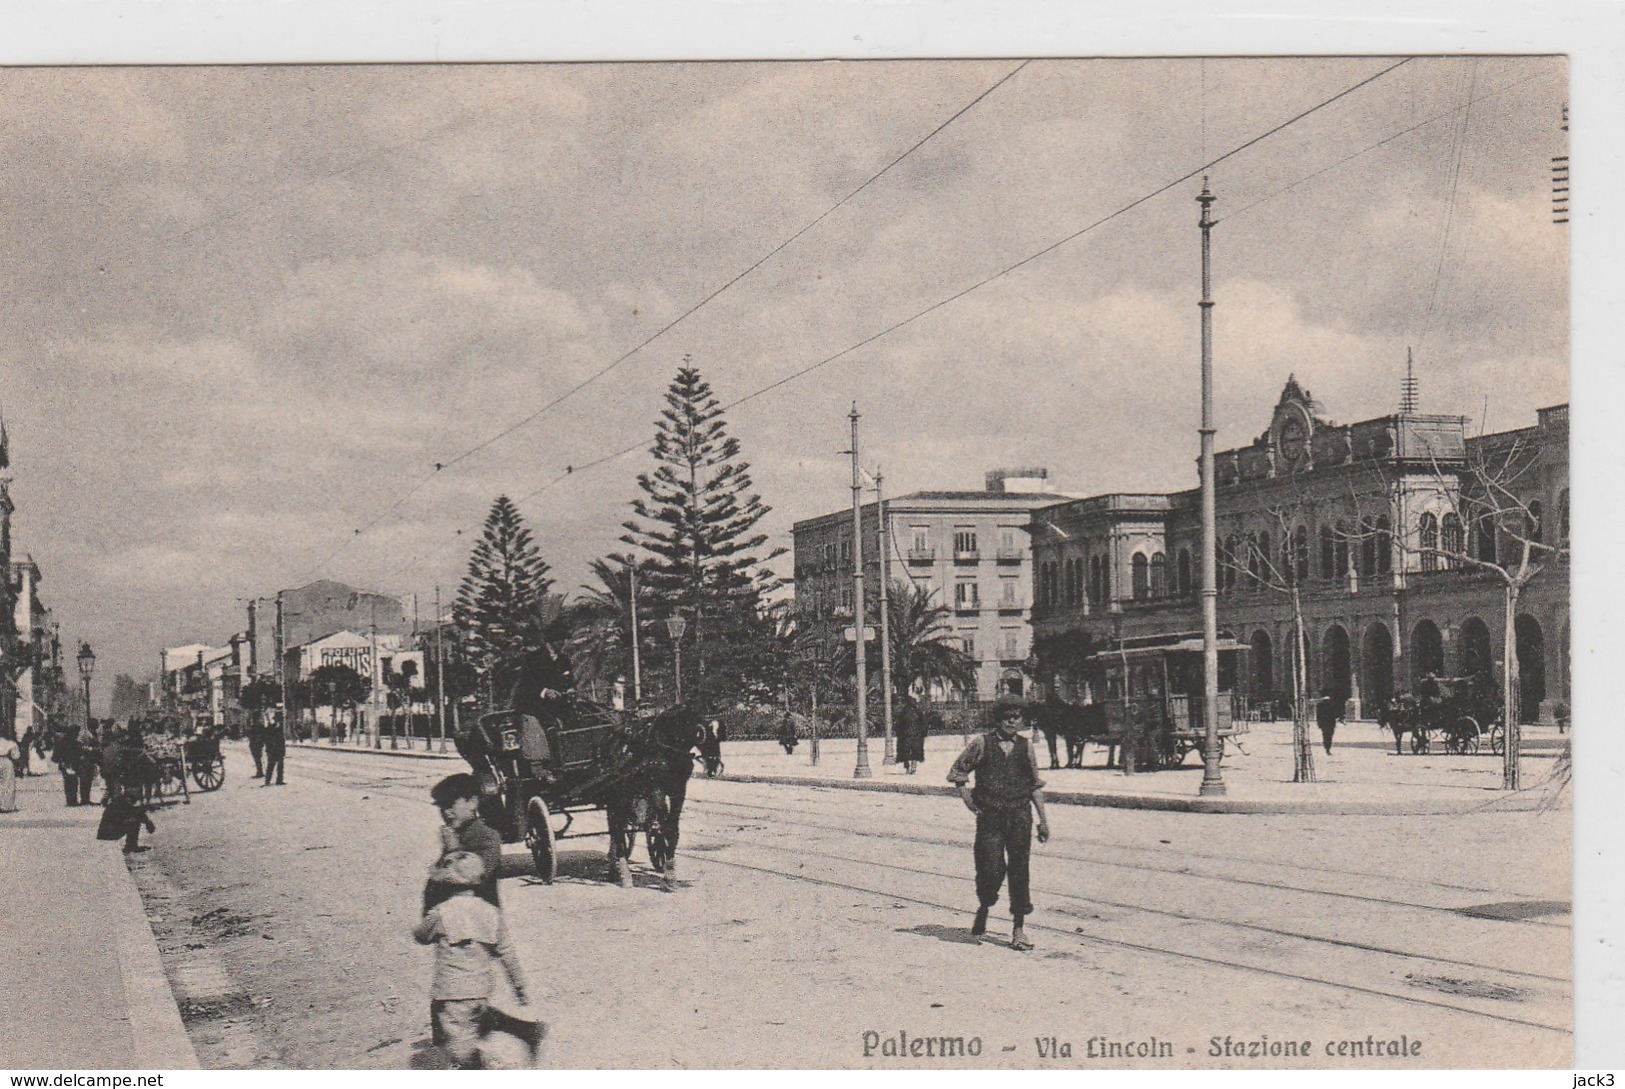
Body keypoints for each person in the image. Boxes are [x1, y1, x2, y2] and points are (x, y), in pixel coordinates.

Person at [412, 851, 533, 1070]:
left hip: (451, 991)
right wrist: (519, 985)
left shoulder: (441, 913)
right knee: (466, 1034)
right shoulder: (490, 912)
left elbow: (420, 935)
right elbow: (506, 952)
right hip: (481, 989)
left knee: (458, 1048)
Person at [946, 697, 1050, 950]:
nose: (1012, 721)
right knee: (990, 868)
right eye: (1007, 715)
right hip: (990, 817)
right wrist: (968, 800)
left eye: (1017, 716)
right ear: (998, 718)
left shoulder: (1026, 747)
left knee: (1019, 869)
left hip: (1019, 816)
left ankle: (1018, 929)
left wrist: (1043, 820)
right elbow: (959, 772)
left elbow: (1034, 785)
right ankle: (985, 905)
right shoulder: (981, 743)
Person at [424, 773, 502, 913]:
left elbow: (472, 877)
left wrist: (453, 849)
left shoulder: (487, 837)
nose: (447, 812)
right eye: (442, 807)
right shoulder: (455, 834)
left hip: (477, 924)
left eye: (450, 804)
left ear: (473, 802)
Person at [97, 783, 157, 853]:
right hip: (108, 832)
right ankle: (131, 846)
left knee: (134, 819)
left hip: (109, 830)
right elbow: (132, 814)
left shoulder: (124, 801)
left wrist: (147, 821)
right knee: (134, 822)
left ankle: (131, 845)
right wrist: (147, 822)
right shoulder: (121, 801)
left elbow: (136, 812)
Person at [895, 696, 928, 774]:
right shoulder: (918, 712)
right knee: (915, 751)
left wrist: (899, 734)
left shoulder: (903, 712)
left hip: (905, 735)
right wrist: (923, 733)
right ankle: (913, 767)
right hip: (916, 735)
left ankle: (907, 767)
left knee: (905, 752)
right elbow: (923, 724)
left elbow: (898, 725)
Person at [262, 712, 286, 786]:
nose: (280, 721)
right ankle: (267, 780)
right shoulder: (271, 728)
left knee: (280, 766)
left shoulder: (280, 728)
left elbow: (282, 740)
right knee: (271, 765)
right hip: (272, 750)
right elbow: (267, 739)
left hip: (279, 750)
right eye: (279, 719)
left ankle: (279, 780)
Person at [0, 733, 20, 813]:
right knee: (8, 784)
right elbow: (16, 755)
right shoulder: (10, 743)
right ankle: (6, 806)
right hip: (6, 762)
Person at [247, 714, 266, 779]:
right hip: (258, 744)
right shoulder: (261, 726)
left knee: (257, 758)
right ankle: (259, 771)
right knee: (258, 758)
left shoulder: (254, 727)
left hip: (255, 744)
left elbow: (249, 735)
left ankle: (259, 772)